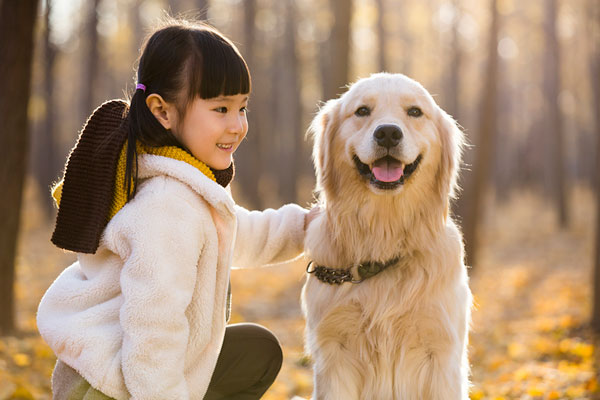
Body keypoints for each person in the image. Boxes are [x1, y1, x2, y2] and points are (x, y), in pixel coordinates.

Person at [37, 19, 312, 400]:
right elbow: (153, 329)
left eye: (242, 108)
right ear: (163, 112)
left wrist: (307, 226)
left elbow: (239, 234)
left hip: (143, 369)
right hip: (107, 386)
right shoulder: (166, 204)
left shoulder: (186, 184)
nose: (237, 125)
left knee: (257, 351)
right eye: (220, 109)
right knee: (167, 349)